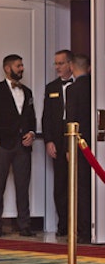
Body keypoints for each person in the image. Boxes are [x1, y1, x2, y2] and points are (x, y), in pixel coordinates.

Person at [0, 54, 37, 237]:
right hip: (3, 145)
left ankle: (24, 225)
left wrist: (32, 133)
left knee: (23, 185)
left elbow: (31, 117)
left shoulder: (27, 91)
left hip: (23, 145)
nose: (22, 68)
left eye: (22, 65)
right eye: (18, 66)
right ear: (7, 68)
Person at [42, 49, 74, 237]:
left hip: (76, 137)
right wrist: (49, 141)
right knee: (60, 184)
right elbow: (46, 117)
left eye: (60, 63)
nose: (57, 67)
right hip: (57, 139)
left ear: (70, 64)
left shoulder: (83, 85)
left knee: (78, 183)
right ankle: (63, 225)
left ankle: (81, 224)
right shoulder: (51, 87)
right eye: (55, 64)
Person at [65, 53, 92, 244]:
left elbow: (71, 119)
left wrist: (69, 147)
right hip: (97, 141)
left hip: (81, 143)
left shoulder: (73, 89)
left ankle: (84, 231)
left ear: (72, 67)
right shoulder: (96, 85)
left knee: (81, 187)